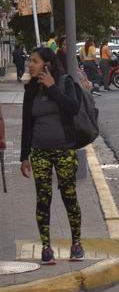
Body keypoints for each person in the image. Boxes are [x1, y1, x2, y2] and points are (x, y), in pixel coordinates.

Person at [20, 47, 83, 264]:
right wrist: (23, 156)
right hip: (39, 152)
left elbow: (73, 108)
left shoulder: (65, 82)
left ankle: (76, 244)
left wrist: (53, 88)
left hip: (64, 150)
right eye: (30, 61)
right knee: (43, 199)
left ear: (47, 64)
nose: (30, 65)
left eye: (34, 61)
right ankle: (46, 247)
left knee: (69, 196)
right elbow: (26, 124)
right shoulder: (30, 89)